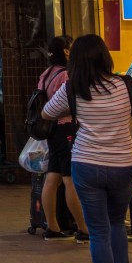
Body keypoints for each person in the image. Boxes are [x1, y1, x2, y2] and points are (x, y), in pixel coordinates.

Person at [41, 33, 132, 263]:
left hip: (87, 163)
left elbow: (46, 113)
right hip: (123, 165)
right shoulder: (125, 85)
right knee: (116, 224)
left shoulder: (72, 89)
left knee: (98, 232)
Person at [36, 37, 89, 242]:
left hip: (51, 131)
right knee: (69, 179)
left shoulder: (46, 73)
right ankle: (83, 229)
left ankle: (53, 227)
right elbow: (69, 101)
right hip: (65, 127)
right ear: (66, 51)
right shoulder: (66, 75)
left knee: (52, 177)